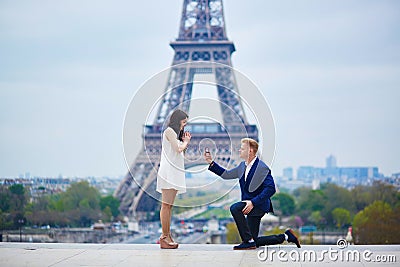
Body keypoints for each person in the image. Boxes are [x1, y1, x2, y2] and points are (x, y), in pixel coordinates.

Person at [204, 138, 301, 250]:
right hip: (249, 205)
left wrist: (253, 202)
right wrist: (211, 163)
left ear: (250, 151)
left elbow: (271, 188)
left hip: (259, 205)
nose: (239, 150)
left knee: (235, 208)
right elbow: (226, 175)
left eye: (242, 148)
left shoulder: (262, 167)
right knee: (254, 241)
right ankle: (286, 236)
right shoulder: (241, 166)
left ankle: (248, 241)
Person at [156, 109, 191, 249]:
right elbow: (178, 149)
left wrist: (183, 141)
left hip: (174, 172)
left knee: (169, 206)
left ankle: (167, 235)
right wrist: (186, 141)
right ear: (177, 121)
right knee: (166, 205)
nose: (184, 125)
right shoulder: (169, 131)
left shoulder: (174, 134)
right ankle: (164, 237)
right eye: (183, 122)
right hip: (169, 172)